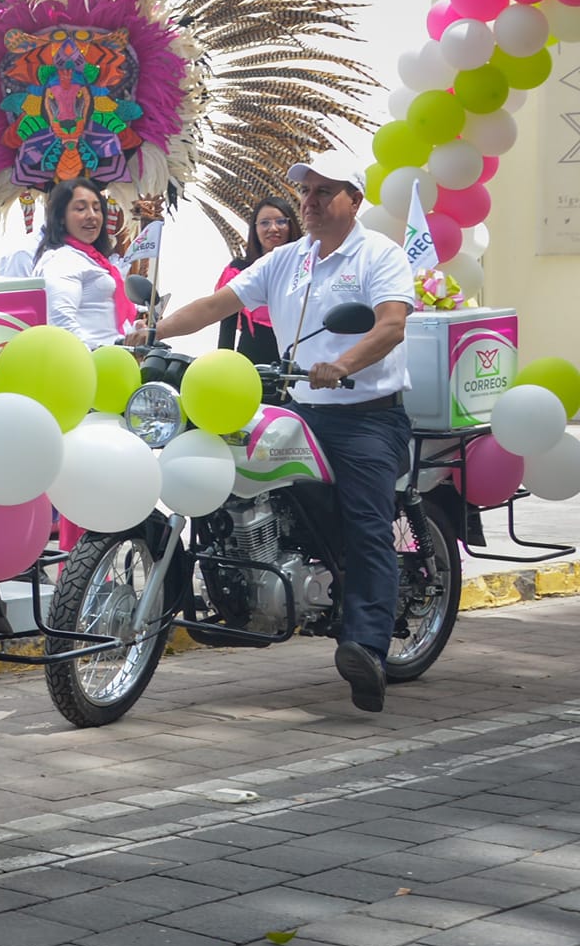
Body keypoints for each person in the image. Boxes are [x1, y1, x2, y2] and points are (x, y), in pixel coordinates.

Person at [157, 152, 414, 713]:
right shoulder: (287, 260)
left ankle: (367, 648)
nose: (311, 201)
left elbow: (392, 323)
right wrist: (150, 331)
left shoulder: (379, 254)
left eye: (325, 191)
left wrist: (342, 365)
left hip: (367, 415)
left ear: (355, 200)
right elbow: (215, 304)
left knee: (366, 523)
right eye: (306, 191)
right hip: (302, 409)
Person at [34, 177, 137, 347]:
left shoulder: (93, 259)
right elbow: (60, 320)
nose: (92, 216)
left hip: (114, 360)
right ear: (60, 217)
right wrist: (87, 362)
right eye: (81, 208)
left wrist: (133, 331)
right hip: (91, 363)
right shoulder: (62, 259)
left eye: (97, 209)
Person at [216, 195, 300, 366]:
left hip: (298, 364)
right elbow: (227, 327)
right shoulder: (238, 270)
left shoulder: (306, 268)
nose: (273, 228)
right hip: (250, 364)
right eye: (265, 223)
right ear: (255, 229)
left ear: (291, 226)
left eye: (281, 221)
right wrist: (223, 367)